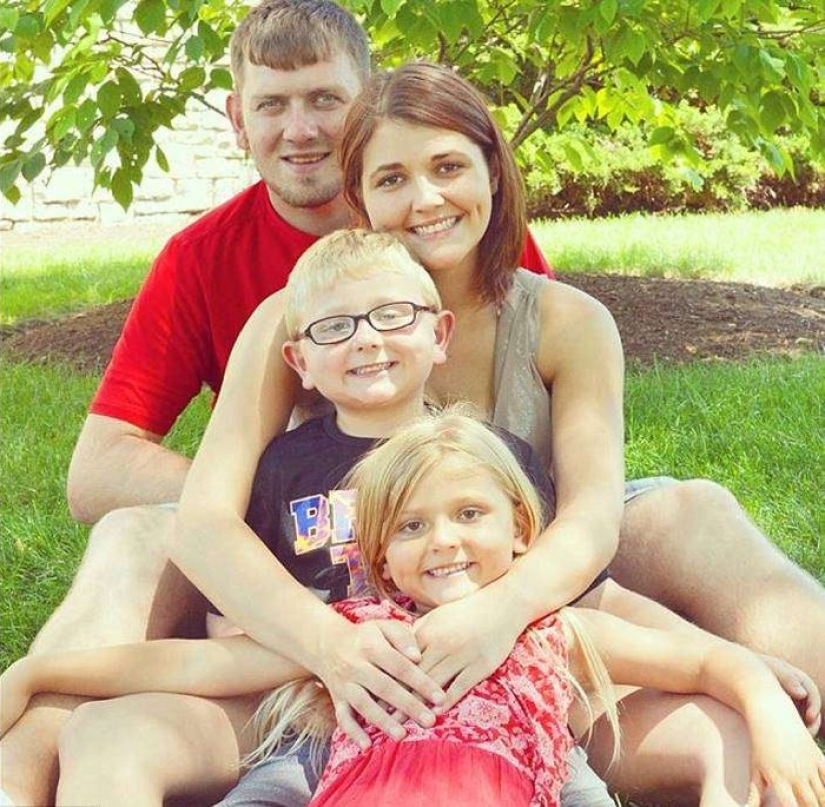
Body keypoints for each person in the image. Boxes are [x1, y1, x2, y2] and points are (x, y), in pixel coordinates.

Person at [164, 61, 824, 799]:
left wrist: (500, 612)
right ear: (359, 198)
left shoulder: (567, 321)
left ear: (492, 170)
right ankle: (55, 746)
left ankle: (781, 694)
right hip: (362, 592)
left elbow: (589, 520)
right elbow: (203, 521)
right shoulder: (302, 321)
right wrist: (326, 641)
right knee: (134, 537)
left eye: (448, 167)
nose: (425, 199)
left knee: (694, 510)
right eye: (391, 179)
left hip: (537, 572)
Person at [3, 413, 824, 807]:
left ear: (520, 527)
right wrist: (37, 672)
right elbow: (190, 662)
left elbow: (702, 661)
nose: (444, 541)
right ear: (377, 555)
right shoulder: (359, 636)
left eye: (469, 514)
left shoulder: (552, 629)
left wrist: (768, 709)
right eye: (411, 526)